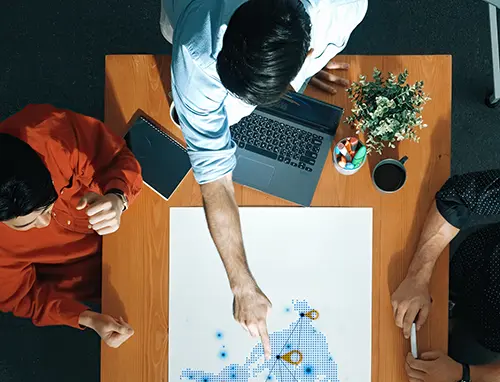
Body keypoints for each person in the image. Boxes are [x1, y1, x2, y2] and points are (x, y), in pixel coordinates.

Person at [160, 0, 368, 358]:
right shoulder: (196, 52)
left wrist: (297, 69)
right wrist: (242, 286)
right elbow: (214, 176)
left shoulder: (344, 7)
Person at [0, 104, 142, 346]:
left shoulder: (51, 133)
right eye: (27, 224)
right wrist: (87, 318)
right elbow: (23, 297)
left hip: (138, 219)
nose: (45, 222)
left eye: (48, 206)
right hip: (98, 280)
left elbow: (117, 157)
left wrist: (117, 198)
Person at [391, 170, 500, 382]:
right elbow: (457, 195)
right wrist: (418, 276)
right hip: (473, 266)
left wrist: (464, 374)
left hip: (490, 341)